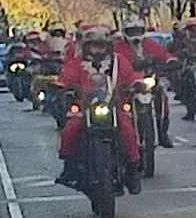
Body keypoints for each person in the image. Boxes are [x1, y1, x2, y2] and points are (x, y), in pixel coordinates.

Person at [56, 26, 142, 190]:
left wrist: (136, 84)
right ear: (86, 46)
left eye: (101, 46)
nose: (97, 50)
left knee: (128, 131)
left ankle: (132, 169)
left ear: (108, 46)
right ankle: (70, 168)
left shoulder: (118, 61)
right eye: (94, 46)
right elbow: (66, 77)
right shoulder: (77, 63)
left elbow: (130, 76)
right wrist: (61, 86)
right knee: (70, 130)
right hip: (85, 109)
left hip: (114, 107)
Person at [120, 17, 176, 148]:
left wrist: (170, 60)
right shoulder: (118, 46)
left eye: (138, 31)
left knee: (162, 98)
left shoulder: (149, 44)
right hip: (127, 83)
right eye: (131, 32)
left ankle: (162, 131)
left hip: (148, 81)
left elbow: (163, 54)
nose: (135, 35)